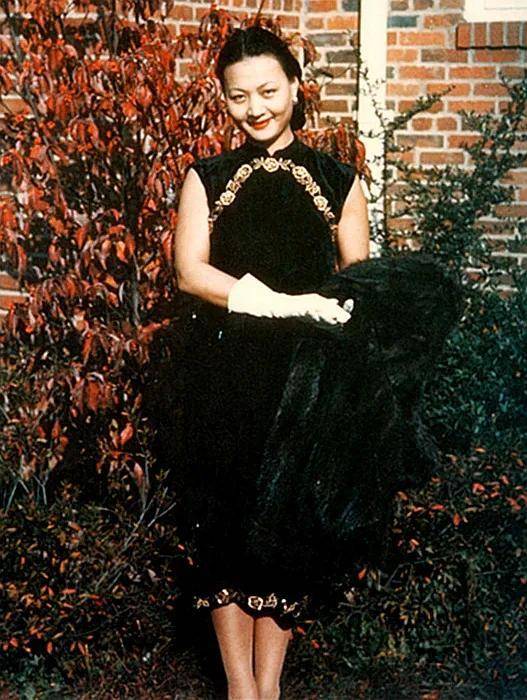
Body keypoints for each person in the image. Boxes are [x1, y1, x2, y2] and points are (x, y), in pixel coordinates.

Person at [175, 25, 370, 700]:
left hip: (303, 384)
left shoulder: (338, 181)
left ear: (294, 86)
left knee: (285, 527)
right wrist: (277, 303)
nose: (254, 108)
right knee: (226, 525)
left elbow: (358, 283)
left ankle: (270, 686)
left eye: (267, 91)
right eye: (238, 96)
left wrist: (346, 320)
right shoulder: (206, 177)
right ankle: (240, 688)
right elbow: (190, 271)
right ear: (223, 99)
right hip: (224, 378)